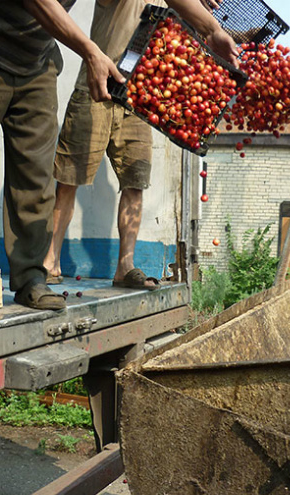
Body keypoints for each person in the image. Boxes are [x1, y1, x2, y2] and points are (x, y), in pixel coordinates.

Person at [0, 0, 125, 310]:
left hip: (36, 63)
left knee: (35, 179)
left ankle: (31, 279)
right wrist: (90, 51)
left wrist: (209, 28)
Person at [43, 0, 236, 290]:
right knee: (69, 179)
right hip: (98, 88)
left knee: (134, 183)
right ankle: (50, 260)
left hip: (140, 99)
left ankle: (125, 266)